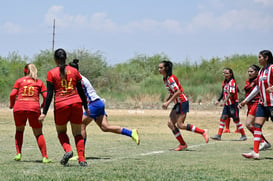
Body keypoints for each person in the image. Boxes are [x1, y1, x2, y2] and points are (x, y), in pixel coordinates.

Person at [68, 59, 140, 160]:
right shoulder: (80, 79)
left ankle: (81, 154)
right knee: (105, 127)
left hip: (94, 104)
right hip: (98, 103)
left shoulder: (79, 80)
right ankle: (131, 133)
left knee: (81, 125)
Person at [38, 48, 88, 166]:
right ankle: (82, 159)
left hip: (61, 106)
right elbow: (81, 90)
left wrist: (44, 112)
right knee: (77, 133)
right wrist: (86, 107)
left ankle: (68, 150)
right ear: (66, 58)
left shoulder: (51, 73)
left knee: (61, 131)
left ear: (55, 60)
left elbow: (49, 94)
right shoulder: (74, 71)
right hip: (76, 104)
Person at [158, 60, 209, 151]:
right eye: (159, 68)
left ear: (166, 68)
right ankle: (182, 144)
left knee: (180, 125)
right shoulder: (165, 79)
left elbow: (178, 92)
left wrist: (168, 102)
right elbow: (173, 92)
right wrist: (167, 100)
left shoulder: (170, 79)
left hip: (182, 101)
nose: (159, 69)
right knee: (170, 123)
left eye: (161, 68)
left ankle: (203, 132)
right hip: (178, 103)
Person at [9, 63, 51, 163]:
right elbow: (46, 96)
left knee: (19, 131)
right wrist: (43, 105)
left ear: (25, 71)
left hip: (19, 107)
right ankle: (45, 157)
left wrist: (11, 104)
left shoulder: (19, 81)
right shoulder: (39, 82)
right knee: (38, 133)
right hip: (34, 108)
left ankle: (18, 154)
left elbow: (12, 94)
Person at [240, 50, 273, 159]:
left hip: (272, 103)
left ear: (266, 58)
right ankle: (255, 152)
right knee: (257, 126)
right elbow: (258, 88)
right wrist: (246, 100)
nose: (258, 59)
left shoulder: (272, 68)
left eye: (260, 57)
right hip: (262, 103)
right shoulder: (261, 71)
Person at [211, 68, 247, 141]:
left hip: (233, 104)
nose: (225, 75)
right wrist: (218, 100)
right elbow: (222, 93)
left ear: (230, 74)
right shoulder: (224, 82)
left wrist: (225, 101)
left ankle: (243, 135)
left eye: (227, 73)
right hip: (227, 105)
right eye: (224, 73)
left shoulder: (232, 82)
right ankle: (219, 135)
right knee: (223, 118)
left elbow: (231, 93)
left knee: (236, 120)